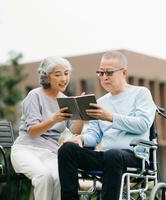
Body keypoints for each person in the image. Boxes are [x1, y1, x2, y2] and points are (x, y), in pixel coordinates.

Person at [58, 51, 156, 200]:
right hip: (107, 157)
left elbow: (142, 125)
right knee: (67, 150)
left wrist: (110, 117)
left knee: (113, 154)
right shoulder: (100, 102)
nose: (104, 77)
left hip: (134, 155)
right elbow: (94, 136)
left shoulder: (141, 94)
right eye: (100, 73)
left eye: (109, 73)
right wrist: (81, 140)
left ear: (124, 72)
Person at [11, 56, 83, 200]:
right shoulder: (34, 95)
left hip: (50, 153)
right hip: (26, 149)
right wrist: (53, 119)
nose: (64, 78)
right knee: (44, 176)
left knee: (60, 178)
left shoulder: (66, 101)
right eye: (58, 74)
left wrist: (81, 113)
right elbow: (32, 131)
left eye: (66, 73)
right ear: (46, 76)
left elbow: (75, 131)